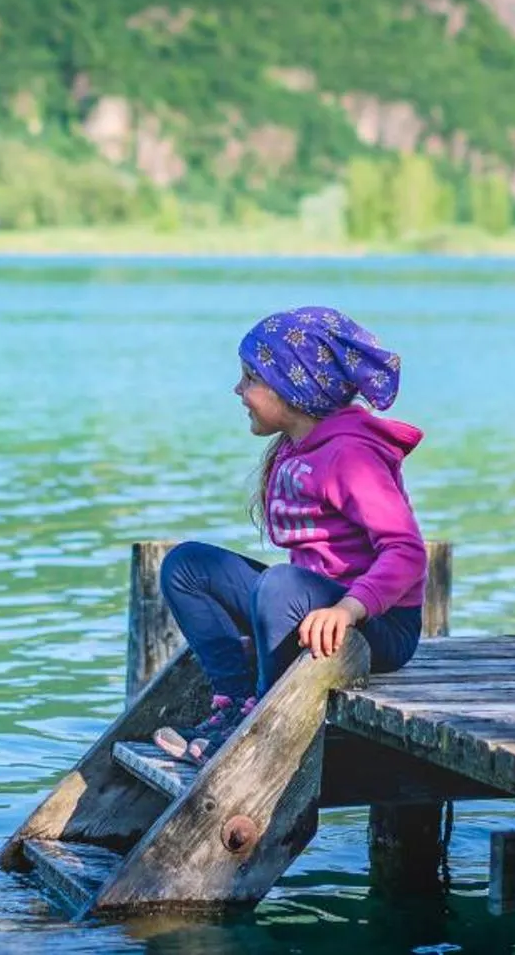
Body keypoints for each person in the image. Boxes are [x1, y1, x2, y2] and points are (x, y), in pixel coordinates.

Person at [152, 306, 426, 764]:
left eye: (249, 379)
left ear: (292, 389)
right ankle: (234, 703)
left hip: (380, 627)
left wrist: (347, 609)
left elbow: (406, 551)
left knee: (281, 584)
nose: (238, 390)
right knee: (187, 565)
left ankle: (261, 727)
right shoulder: (298, 448)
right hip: (312, 604)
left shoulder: (351, 456)